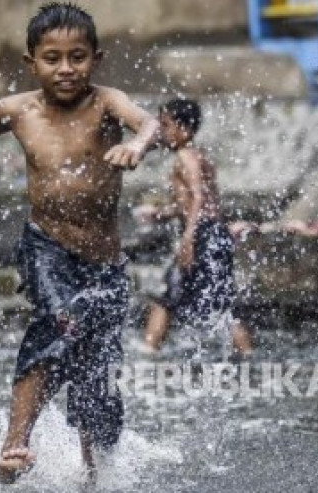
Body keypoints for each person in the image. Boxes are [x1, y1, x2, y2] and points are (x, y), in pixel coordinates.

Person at [0, 2, 158, 483]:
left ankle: (93, 467)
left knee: (96, 363)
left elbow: (147, 121)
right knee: (56, 325)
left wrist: (137, 144)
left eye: (77, 57)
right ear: (32, 62)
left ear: (96, 58)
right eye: (53, 58)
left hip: (105, 260)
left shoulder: (107, 102)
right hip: (45, 247)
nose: (66, 69)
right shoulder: (18, 110)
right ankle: (14, 446)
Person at [135, 99, 252, 356]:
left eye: (165, 126)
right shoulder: (199, 157)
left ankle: (148, 349)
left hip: (202, 234)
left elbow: (198, 198)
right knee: (221, 300)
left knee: (168, 294)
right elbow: (194, 203)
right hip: (212, 232)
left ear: (184, 129)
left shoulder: (185, 157)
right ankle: (246, 353)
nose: (161, 133)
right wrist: (162, 214)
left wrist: (188, 239)